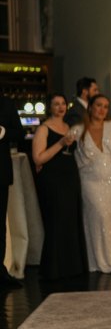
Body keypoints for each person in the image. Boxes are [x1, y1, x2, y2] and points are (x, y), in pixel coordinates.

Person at [74, 94, 111, 273]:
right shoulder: (78, 129)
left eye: (106, 106)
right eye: (98, 105)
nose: (102, 109)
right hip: (91, 181)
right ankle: (98, 260)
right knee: (98, 216)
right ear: (90, 107)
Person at [32, 93, 87, 280]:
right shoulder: (43, 129)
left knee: (70, 219)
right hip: (53, 178)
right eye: (56, 104)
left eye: (63, 103)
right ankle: (53, 269)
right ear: (50, 107)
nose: (60, 107)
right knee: (56, 219)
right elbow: (38, 158)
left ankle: (71, 267)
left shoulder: (69, 127)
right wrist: (61, 143)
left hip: (70, 176)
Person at [0, 95, 24, 287]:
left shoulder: (6, 103)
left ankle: (0, 272)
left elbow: (19, 133)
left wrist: (3, 132)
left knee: (0, 224)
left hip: (1, 173)